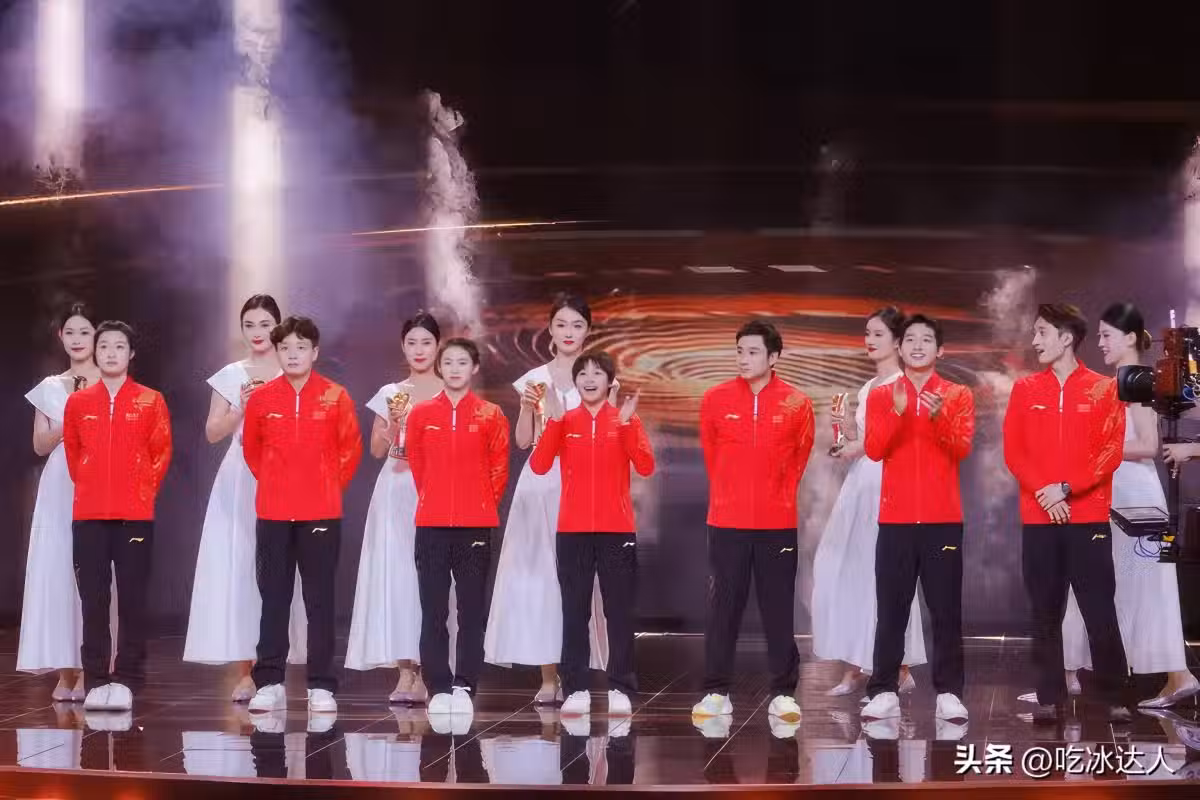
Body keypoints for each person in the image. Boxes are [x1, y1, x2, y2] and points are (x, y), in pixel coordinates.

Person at [1060, 303, 1198, 708]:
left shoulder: (1134, 379)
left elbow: (1147, 445)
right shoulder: (1125, 379)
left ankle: (1176, 676)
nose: (1100, 342)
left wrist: (1093, 451)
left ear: (1130, 338)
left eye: (1107, 335)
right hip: (1118, 492)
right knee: (1105, 583)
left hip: (1133, 498)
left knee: (1139, 586)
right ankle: (1068, 672)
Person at [1003, 303, 1132, 723]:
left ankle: (1113, 695)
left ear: (1066, 338)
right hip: (1039, 518)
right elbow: (1014, 451)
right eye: (1034, 332)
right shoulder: (1025, 390)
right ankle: (1049, 696)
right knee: (1044, 611)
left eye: (1042, 332)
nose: (1035, 340)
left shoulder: (1104, 389)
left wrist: (1064, 488)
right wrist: (1046, 494)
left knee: (1099, 609)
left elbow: (1110, 453)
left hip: (1088, 517)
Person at [183, 295, 308, 701]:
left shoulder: (293, 370)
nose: (257, 333)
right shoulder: (230, 375)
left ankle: (275, 664)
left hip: (284, 475)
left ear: (279, 327)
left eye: (265, 324)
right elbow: (212, 432)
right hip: (240, 478)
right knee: (241, 568)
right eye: (249, 325)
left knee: (279, 570)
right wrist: (242, 406)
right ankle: (246, 670)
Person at [486, 293, 609, 702]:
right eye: (561, 324)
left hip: (582, 483)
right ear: (550, 329)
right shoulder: (534, 378)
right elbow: (523, 441)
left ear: (587, 331)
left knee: (576, 579)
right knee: (539, 577)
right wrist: (526, 408)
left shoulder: (598, 377)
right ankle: (547, 676)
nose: (569, 332)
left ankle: (577, 672)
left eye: (577, 325)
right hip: (539, 484)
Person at [691, 320, 814, 724]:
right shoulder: (716, 398)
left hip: (777, 524)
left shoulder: (796, 403)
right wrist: (731, 495)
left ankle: (783, 694)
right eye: (740, 351)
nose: (744, 359)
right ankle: (716, 692)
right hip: (727, 522)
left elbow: (798, 459)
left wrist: (776, 497)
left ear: (774, 356)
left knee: (778, 608)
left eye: (753, 352)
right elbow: (712, 456)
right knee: (723, 607)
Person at [242, 316, 362, 715]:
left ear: (315, 352)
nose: (293, 355)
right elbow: (253, 452)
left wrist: (324, 487)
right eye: (285, 348)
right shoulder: (262, 399)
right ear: (277, 352)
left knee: (320, 601)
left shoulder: (335, 396)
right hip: (273, 512)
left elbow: (350, 450)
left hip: (321, 513)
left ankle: (321, 685)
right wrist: (276, 483)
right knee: (273, 599)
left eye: (301, 347)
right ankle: (269, 681)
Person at [860, 314, 974, 722]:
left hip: (943, 520)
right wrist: (896, 412)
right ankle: (883, 690)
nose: (918, 346)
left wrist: (940, 417)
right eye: (910, 339)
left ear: (940, 350)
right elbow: (874, 450)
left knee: (945, 611)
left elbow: (961, 448)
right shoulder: (882, 395)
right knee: (891, 611)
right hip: (896, 520)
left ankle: (949, 693)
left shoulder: (957, 394)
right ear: (900, 347)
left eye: (927, 340)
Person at [531, 349, 655, 716]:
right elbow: (539, 465)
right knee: (574, 613)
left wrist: (627, 425)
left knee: (619, 612)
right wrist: (554, 421)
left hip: (617, 531)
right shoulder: (566, 419)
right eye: (582, 373)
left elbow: (646, 466)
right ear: (575, 382)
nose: (589, 379)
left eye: (597, 373)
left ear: (610, 382)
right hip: (573, 531)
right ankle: (576, 689)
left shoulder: (625, 419)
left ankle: (620, 687)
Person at [811, 307, 926, 696]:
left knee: (884, 576)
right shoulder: (867, 387)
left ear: (897, 341)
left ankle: (895, 666)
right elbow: (861, 441)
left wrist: (855, 447)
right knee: (848, 571)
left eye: (878, 334)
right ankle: (861, 663)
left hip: (886, 483)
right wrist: (844, 433)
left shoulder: (901, 385)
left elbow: (888, 441)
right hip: (860, 483)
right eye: (867, 333)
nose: (870, 341)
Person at [346, 312, 458, 703]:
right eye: (412, 343)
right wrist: (394, 426)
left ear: (438, 346)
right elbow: (377, 450)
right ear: (403, 347)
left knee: (431, 577)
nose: (419, 350)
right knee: (397, 575)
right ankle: (405, 671)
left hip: (435, 489)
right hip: (395, 488)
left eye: (426, 342)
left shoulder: (450, 390)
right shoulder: (391, 392)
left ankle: (430, 667)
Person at [63, 320, 173, 712]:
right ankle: (95, 680)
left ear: (131, 353)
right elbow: (74, 455)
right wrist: (91, 485)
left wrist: (139, 492)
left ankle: (127, 679)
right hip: (89, 515)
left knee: (132, 601)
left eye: (119, 346)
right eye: (104, 346)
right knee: (92, 601)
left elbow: (161, 452)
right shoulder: (78, 403)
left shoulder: (150, 400)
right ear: (95, 352)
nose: (111, 353)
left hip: (134, 516)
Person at [407, 337, 510, 718]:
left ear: (474, 368)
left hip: (475, 527)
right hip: (431, 525)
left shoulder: (490, 414)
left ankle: (465, 683)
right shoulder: (420, 414)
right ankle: (438, 685)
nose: (454, 369)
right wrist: (434, 500)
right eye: (448, 362)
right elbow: (418, 465)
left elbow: (499, 469)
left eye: (462, 362)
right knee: (433, 610)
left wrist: (478, 504)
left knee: (470, 611)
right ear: (439, 367)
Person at [18, 303, 106, 700]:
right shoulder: (50, 387)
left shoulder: (110, 381)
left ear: (96, 336)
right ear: (61, 337)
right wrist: (70, 414)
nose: (77, 340)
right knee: (58, 571)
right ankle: (65, 670)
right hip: (58, 483)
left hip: (97, 480)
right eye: (70, 333)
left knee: (95, 573)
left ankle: (92, 666)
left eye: (84, 332)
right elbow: (40, 444)